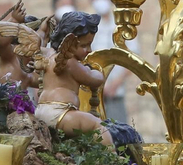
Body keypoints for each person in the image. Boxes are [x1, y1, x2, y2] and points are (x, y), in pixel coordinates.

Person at [36, 11, 140, 146]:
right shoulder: (70, 63)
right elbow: (93, 79)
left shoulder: (49, 55)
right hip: (61, 115)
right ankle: (112, 158)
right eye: (84, 45)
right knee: (97, 126)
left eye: (90, 44)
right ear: (70, 43)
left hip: (41, 111)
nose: (89, 50)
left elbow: (38, 45)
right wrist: (98, 72)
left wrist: (42, 31)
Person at [88, 0, 131, 125]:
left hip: (115, 93)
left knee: (120, 134)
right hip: (92, 94)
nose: (101, 0)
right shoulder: (87, 25)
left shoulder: (120, 25)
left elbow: (131, 58)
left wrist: (114, 85)